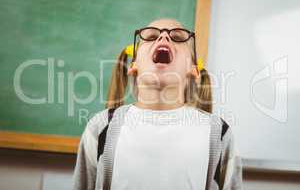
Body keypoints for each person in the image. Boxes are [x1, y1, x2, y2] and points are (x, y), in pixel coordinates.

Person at [72, 18, 243, 190]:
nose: (163, 37)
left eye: (177, 37)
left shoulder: (218, 133)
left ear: (194, 69)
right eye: (152, 36)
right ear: (133, 65)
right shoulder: (101, 127)